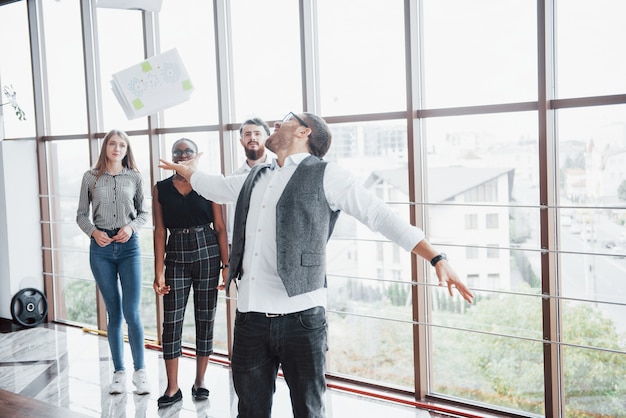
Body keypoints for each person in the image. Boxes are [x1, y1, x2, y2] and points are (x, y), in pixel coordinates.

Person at [158, 112, 475, 417]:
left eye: (287, 119)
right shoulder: (256, 175)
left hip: (302, 319)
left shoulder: (328, 174)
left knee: (309, 412)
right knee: (250, 411)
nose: (276, 124)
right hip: (250, 318)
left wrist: (436, 257)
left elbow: (379, 215)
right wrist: (188, 171)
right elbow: (216, 187)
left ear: (303, 131)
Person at [152, 138, 230, 408]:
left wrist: (226, 266)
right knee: (171, 322)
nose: (182, 155)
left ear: (197, 155)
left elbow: (220, 227)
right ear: (171, 157)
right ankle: (173, 387)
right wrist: (158, 270)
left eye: (188, 151)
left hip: (208, 250)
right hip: (176, 253)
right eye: (177, 152)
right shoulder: (161, 188)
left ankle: (200, 381)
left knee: (205, 317)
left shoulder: (208, 183)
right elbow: (160, 230)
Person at [76, 129, 150, 395]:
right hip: (101, 250)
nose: (117, 148)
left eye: (122, 145)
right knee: (114, 313)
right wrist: (94, 232)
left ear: (127, 149)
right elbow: (81, 215)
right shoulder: (91, 178)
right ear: (105, 147)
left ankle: (140, 372)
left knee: (132, 312)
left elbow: (144, 213)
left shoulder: (135, 177)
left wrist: (130, 228)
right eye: (113, 144)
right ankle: (119, 373)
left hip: (129, 247)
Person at [226, 117, 272, 246]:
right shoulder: (234, 177)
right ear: (242, 141)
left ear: (266, 139)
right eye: (248, 134)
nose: (252, 137)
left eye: (257, 133)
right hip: (245, 246)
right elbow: (232, 217)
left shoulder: (279, 172)